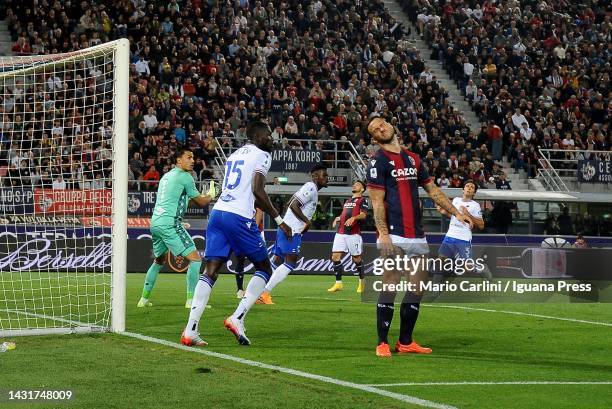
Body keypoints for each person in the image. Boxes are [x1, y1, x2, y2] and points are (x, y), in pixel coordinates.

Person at [365, 116, 472, 358]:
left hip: (418, 236)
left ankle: (405, 341)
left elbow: (432, 190)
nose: (381, 128)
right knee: (390, 284)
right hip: (394, 233)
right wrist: (383, 234)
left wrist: (457, 213)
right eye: (375, 129)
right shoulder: (377, 161)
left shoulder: (413, 158)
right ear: (375, 138)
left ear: (391, 125)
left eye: (382, 123)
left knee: (417, 288)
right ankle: (382, 342)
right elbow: (376, 202)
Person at [181, 121, 291, 347]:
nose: (271, 139)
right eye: (268, 134)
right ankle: (237, 318)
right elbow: (257, 191)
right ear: (257, 136)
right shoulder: (262, 155)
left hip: (218, 213)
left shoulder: (234, 155)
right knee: (264, 268)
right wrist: (279, 220)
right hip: (238, 216)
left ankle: (190, 329)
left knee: (211, 269)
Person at [137, 148, 217, 309]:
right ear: (179, 161)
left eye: (193, 157)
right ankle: (191, 301)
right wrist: (210, 195)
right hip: (170, 223)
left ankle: (143, 299)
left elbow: (184, 202)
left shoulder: (167, 177)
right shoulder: (186, 177)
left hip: (155, 223)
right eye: (188, 157)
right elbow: (201, 203)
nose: (193, 160)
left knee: (159, 260)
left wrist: (202, 197)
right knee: (195, 259)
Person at [257, 164, 329, 304]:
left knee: (276, 260)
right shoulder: (311, 187)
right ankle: (264, 293)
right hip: (292, 230)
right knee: (290, 262)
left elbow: (290, 202)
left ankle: (256, 291)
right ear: (315, 177)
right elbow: (293, 205)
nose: (327, 178)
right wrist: (306, 222)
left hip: (287, 227)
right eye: (324, 175)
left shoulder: (309, 187)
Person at [435, 180, 488, 280]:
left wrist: (468, 214)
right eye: (467, 186)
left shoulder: (475, 205)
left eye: (472, 187)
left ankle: (482, 269)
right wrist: (444, 212)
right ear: (463, 190)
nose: (469, 188)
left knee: (468, 267)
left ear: (474, 193)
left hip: (463, 238)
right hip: (450, 236)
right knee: (440, 261)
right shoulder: (455, 200)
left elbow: (481, 225)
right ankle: (434, 289)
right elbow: (454, 216)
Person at [327, 180, 368, 293]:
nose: (354, 185)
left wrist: (354, 218)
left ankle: (362, 281)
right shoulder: (348, 201)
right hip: (341, 233)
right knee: (335, 256)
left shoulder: (363, 200)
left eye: (358, 184)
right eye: (354, 183)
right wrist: (338, 218)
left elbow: (363, 215)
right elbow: (345, 213)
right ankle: (338, 283)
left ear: (362, 189)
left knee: (356, 258)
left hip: (353, 234)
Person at [232, 208, 265, 298]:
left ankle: (260, 291)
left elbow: (259, 210)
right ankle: (240, 290)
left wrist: (253, 230)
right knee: (241, 258)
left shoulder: (253, 195)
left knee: (261, 260)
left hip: (255, 231)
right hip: (241, 229)